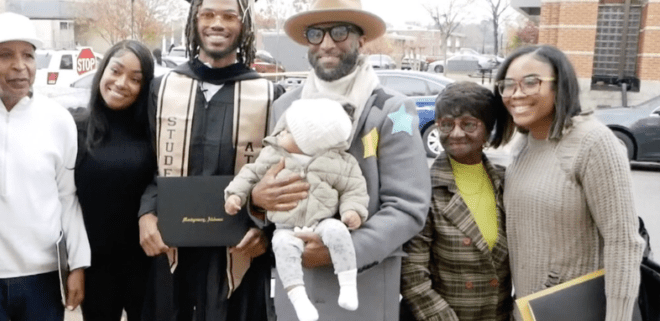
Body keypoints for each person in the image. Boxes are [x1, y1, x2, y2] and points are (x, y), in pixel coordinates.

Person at [251, 0, 432, 319]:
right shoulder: (285, 107)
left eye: (339, 31)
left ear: (361, 40)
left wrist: (341, 251)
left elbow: (408, 207)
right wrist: (258, 202)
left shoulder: (392, 109)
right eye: (315, 33)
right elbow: (271, 177)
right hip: (297, 295)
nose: (327, 43)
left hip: (363, 295)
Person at [136, 0, 283, 320]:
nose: (218, 23)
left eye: (229, 15)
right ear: (194, 20)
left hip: (239, 252)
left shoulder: (269, 96)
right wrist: (146, 214)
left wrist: (265, 229)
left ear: (244, 26)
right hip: (172, 249)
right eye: (208, 14)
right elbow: (147, 163)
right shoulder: (163, 89)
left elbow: (280, 175)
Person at [493, 44, 644, 321]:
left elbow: (623, 241)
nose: (516, 94)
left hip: (578, 310)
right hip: (530, 310)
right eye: (507, 85)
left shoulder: (593, 142)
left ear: (560, 85)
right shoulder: (523, 145)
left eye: (531, 82)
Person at [0, 12, 90, 321]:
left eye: (28, 55)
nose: (20, 65)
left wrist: (78, 265)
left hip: (42, 277)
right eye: (5, 55)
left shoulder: (58, 120)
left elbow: (67, 198)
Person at [224, 98, 369, 321]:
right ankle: (299, 298)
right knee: (282, 247)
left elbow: (354, 188)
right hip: (285, 226)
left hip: (322, 221)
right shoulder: (274, 155)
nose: (280, 134)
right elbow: (250, 174)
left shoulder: (339, 161)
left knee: (338, 233)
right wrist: (236, 195)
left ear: (309, 141)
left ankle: (348, 286)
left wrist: (353, 211)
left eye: (288, 132)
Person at [400, 81, 514, 321]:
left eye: (469, 124)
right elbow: (412, 275)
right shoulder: (423, 188)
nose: (456, 133)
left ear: (488, 128)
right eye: (446, 124)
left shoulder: (507, 182)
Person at [73, 40, 156, 321]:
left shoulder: (152, 134)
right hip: (94, 268)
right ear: (102, 71)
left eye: (136, 79)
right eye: (116, 71)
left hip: (144, 265)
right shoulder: (75, 128)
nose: (122, 83)